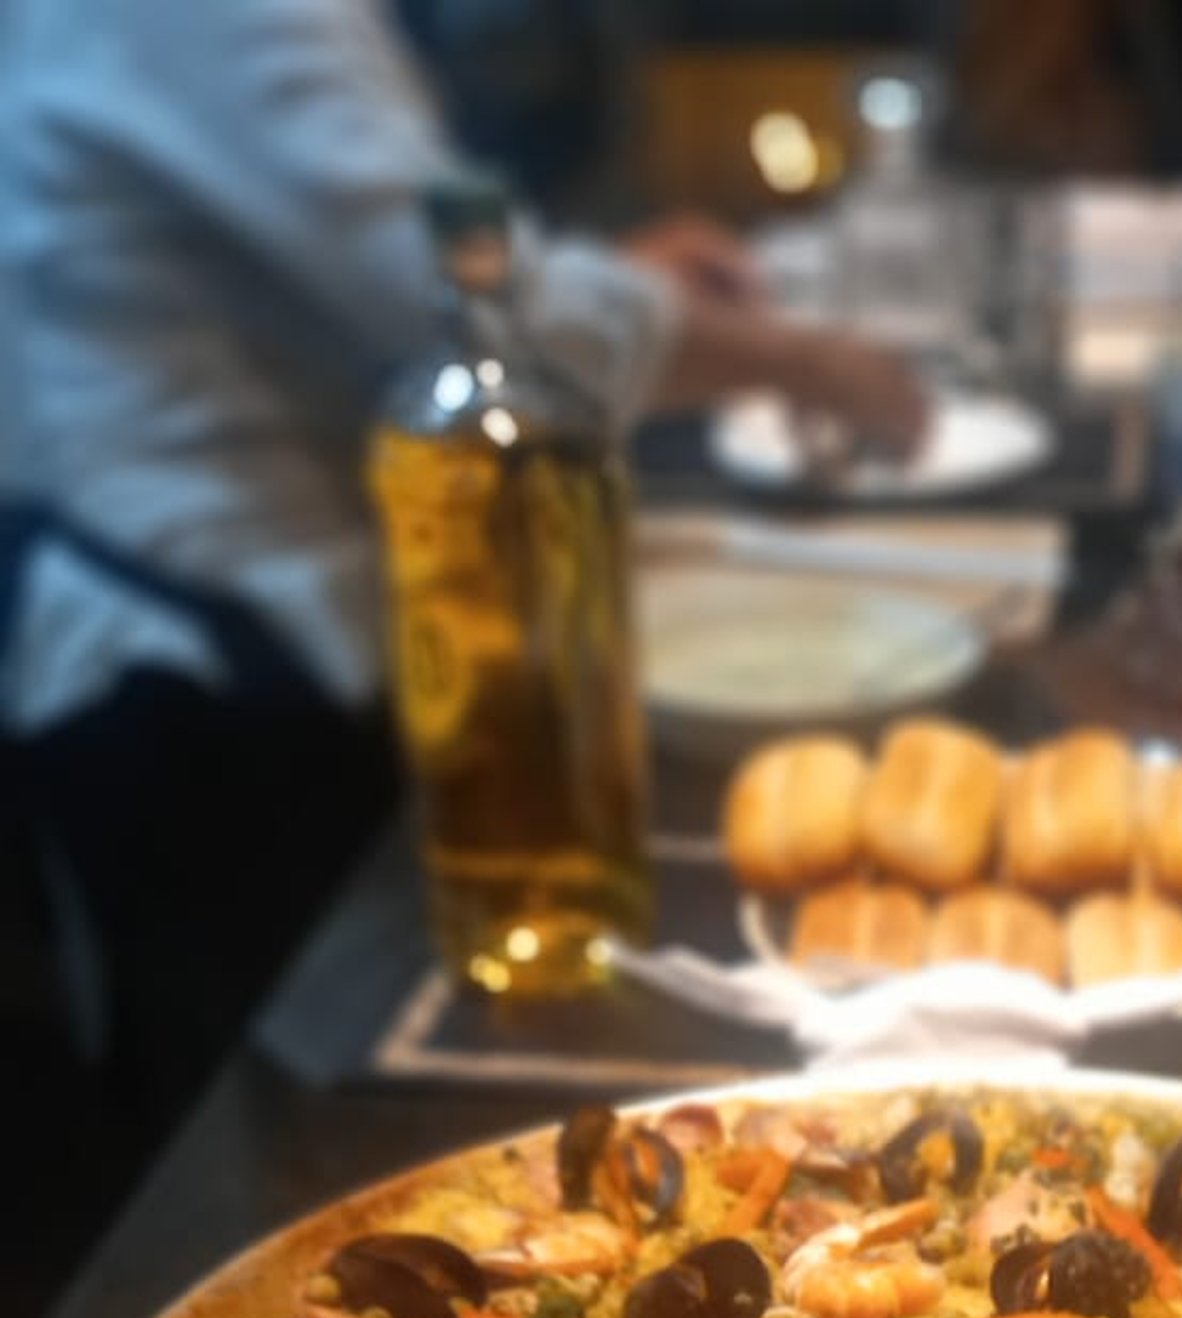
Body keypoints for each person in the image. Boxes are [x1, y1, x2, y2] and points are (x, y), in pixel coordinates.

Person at [0, 0, 925, 1131]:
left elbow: (383, 263)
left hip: (275, 622)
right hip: (205, 663)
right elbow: (467, 305)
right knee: (262, 1133)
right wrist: (809, 360)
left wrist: (607, 276)